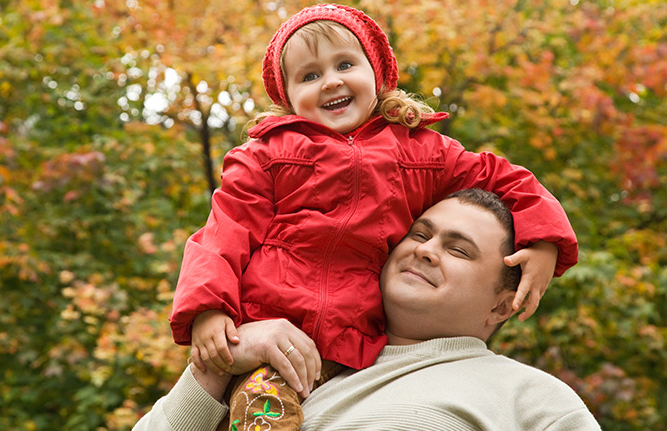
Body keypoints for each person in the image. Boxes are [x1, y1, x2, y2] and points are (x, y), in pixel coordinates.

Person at [169, 4, 579, 429]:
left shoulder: (419, 154)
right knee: (264, 408)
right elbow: (223, 234)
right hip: (272, 328)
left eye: (345, 64)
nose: (330, 81)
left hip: (358, 342)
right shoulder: (267, 157)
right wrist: (208, 311)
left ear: (377, 74)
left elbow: (503, 177)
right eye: (309, 76)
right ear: (288, 98)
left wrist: (546, 241)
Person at [135, 189, 602, 430]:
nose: (425, 250)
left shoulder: (530, 398)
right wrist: (222, 362)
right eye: (420, 234)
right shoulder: (302, 370)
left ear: (503, 304)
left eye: (458, 251)